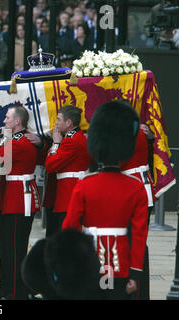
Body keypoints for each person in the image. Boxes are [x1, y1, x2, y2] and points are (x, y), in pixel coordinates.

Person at [63, 100, 149, 300]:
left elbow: (70, 227)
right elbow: (139, 234)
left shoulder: (85, 185)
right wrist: (135, 274)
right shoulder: (135, 187)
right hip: (121, 266)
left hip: (90, 264)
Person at [0, 105, 41, 300]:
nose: (4, 121)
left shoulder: (18, 143)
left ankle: (17, 292)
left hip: (18, 199)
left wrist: (0, 139)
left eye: (7, 118)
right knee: (4, 243)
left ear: (18, 122)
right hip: (10, 196)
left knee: (14, 248)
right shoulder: (16, 140)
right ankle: (7, 289)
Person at [120, 123, 156, 300]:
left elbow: (119, 160)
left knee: (135, 244)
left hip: (135, 190)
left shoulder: (129, 133)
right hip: (141, 188)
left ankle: (137, 293)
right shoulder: (137, 131)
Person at [44, 105, 91, 238]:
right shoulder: (78, 136)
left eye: (59, 119)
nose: (56, 123)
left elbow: (50, 165)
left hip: (68, 195)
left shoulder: (70, 141)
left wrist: (56, 144)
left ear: (69, 122)